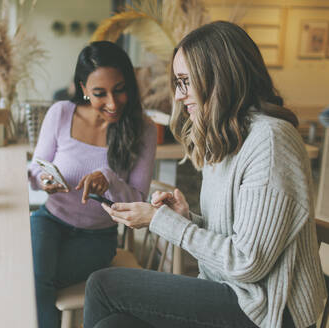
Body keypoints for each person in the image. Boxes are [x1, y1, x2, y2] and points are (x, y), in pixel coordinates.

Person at [83, 21, 327, 328]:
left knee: (103, 285)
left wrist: (161, 221)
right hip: (233, 292)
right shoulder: (226, 136)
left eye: (185, 81)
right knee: (113, 325)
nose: (178, 96)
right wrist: (187, 220)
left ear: (219, 78)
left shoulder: (271, 140)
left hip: (266, 308)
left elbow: (248, 263)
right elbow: (237, 238)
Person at [28, 41, 157, 328]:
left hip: (97, 237)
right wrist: (44, 179)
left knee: (35, 278)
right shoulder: (61, 113)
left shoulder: (144, 129)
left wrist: (108, 179)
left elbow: (139, 201)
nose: (112, 103)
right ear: (83, 89)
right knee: (34, 275)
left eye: (120, 89)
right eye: (100, 93)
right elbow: (36, 168)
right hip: (50, 220)